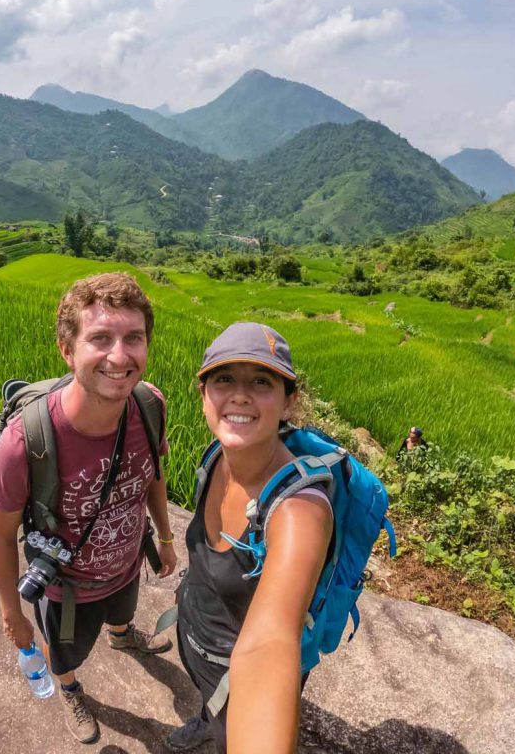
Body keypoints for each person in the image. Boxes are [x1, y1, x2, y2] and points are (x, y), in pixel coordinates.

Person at [0, 273, 178, 745]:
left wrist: (165, 536)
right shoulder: (26, 443)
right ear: (67, 350)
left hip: (128, 563)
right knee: (65, 653)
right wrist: (12, 611)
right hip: (68, 589)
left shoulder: (150, 405)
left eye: (133, 337)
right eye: (100, 338)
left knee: (123, 609)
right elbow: (0, 533)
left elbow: (154, 473)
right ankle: (70, 689)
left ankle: (122, 632)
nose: (119, 355)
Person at [167, 322, 334, 753]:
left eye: (261, 381)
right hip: (196, 637)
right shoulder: (216, 455)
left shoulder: (299, 512)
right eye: (224, 379)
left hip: (235, 673)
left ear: (288, 402)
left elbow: (268, 645)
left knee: (228, 733)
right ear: (204, 394)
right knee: (210, 711)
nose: (239, 394)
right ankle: (205, 719)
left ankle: (215, 727)